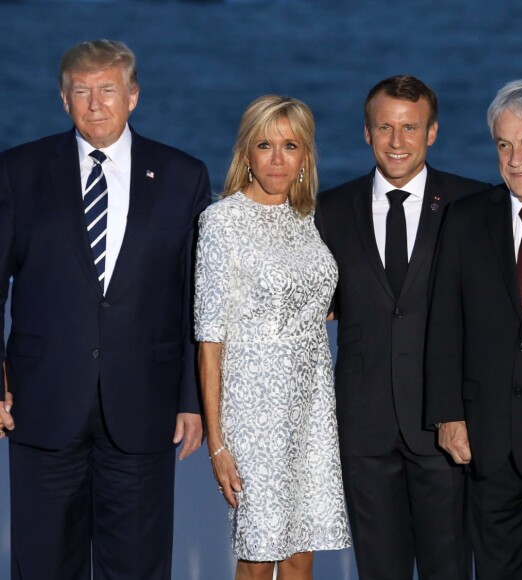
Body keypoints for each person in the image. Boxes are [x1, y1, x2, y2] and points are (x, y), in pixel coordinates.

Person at [0, 40, 211, 579]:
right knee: (44, 565)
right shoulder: (18, 172)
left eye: (108, 90)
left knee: (138, 567)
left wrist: (193, 399)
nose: (96, 104)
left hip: (144, 405)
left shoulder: (183, 177)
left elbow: (199, 297)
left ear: (133, 97)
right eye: (82, 91)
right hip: (41, 404)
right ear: (64, 100)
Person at [315, 75, 489, 579]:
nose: (397, 142)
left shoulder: (474, 203)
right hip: (363, 428)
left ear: (432, 132)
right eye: (385, 128)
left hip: (444, 425)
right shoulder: (328, 210)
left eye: (410, 128)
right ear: (366, 133)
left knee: (449, 569)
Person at [425, 80, 522, 578]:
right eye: (503, 144)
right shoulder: (467, 220)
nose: (514, 158)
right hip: (490, 448)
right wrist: (448, 414)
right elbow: (444, 323)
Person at [194, 95, 350, 580]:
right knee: (259, 556)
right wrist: (218, 445)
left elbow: (321, 297)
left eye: (291, 145)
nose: (278, 159)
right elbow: (210, 340)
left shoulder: (307, 220)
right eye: (265, 145)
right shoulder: (222, 222)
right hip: (254, 411)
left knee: (303, 551)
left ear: (305, 156)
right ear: (247, 154)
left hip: (312, 407)